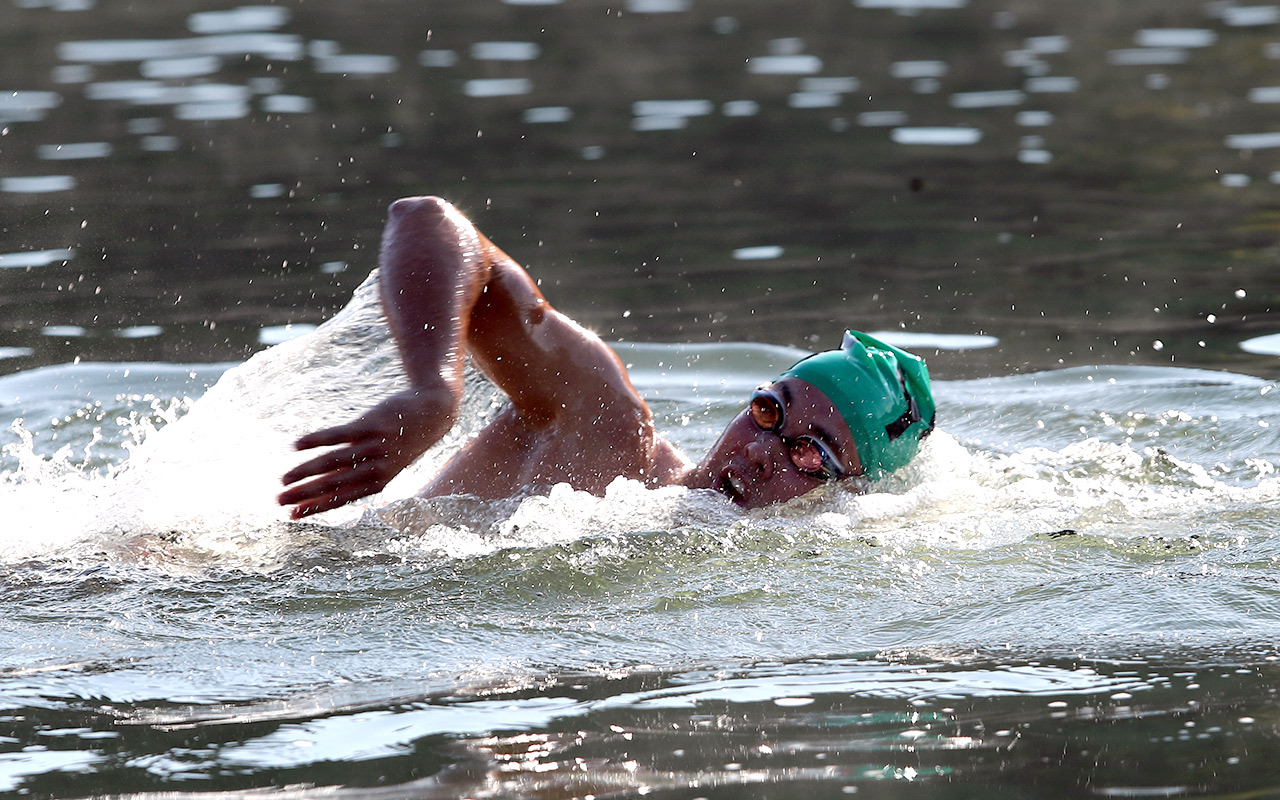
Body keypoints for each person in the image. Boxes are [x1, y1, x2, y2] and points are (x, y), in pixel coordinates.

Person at [278, 196, 936, 520]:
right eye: (769, 412)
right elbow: (426, 219)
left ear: (849, 498)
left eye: (808, 455)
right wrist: (432, 393)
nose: (761, 451)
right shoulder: (609, 431)